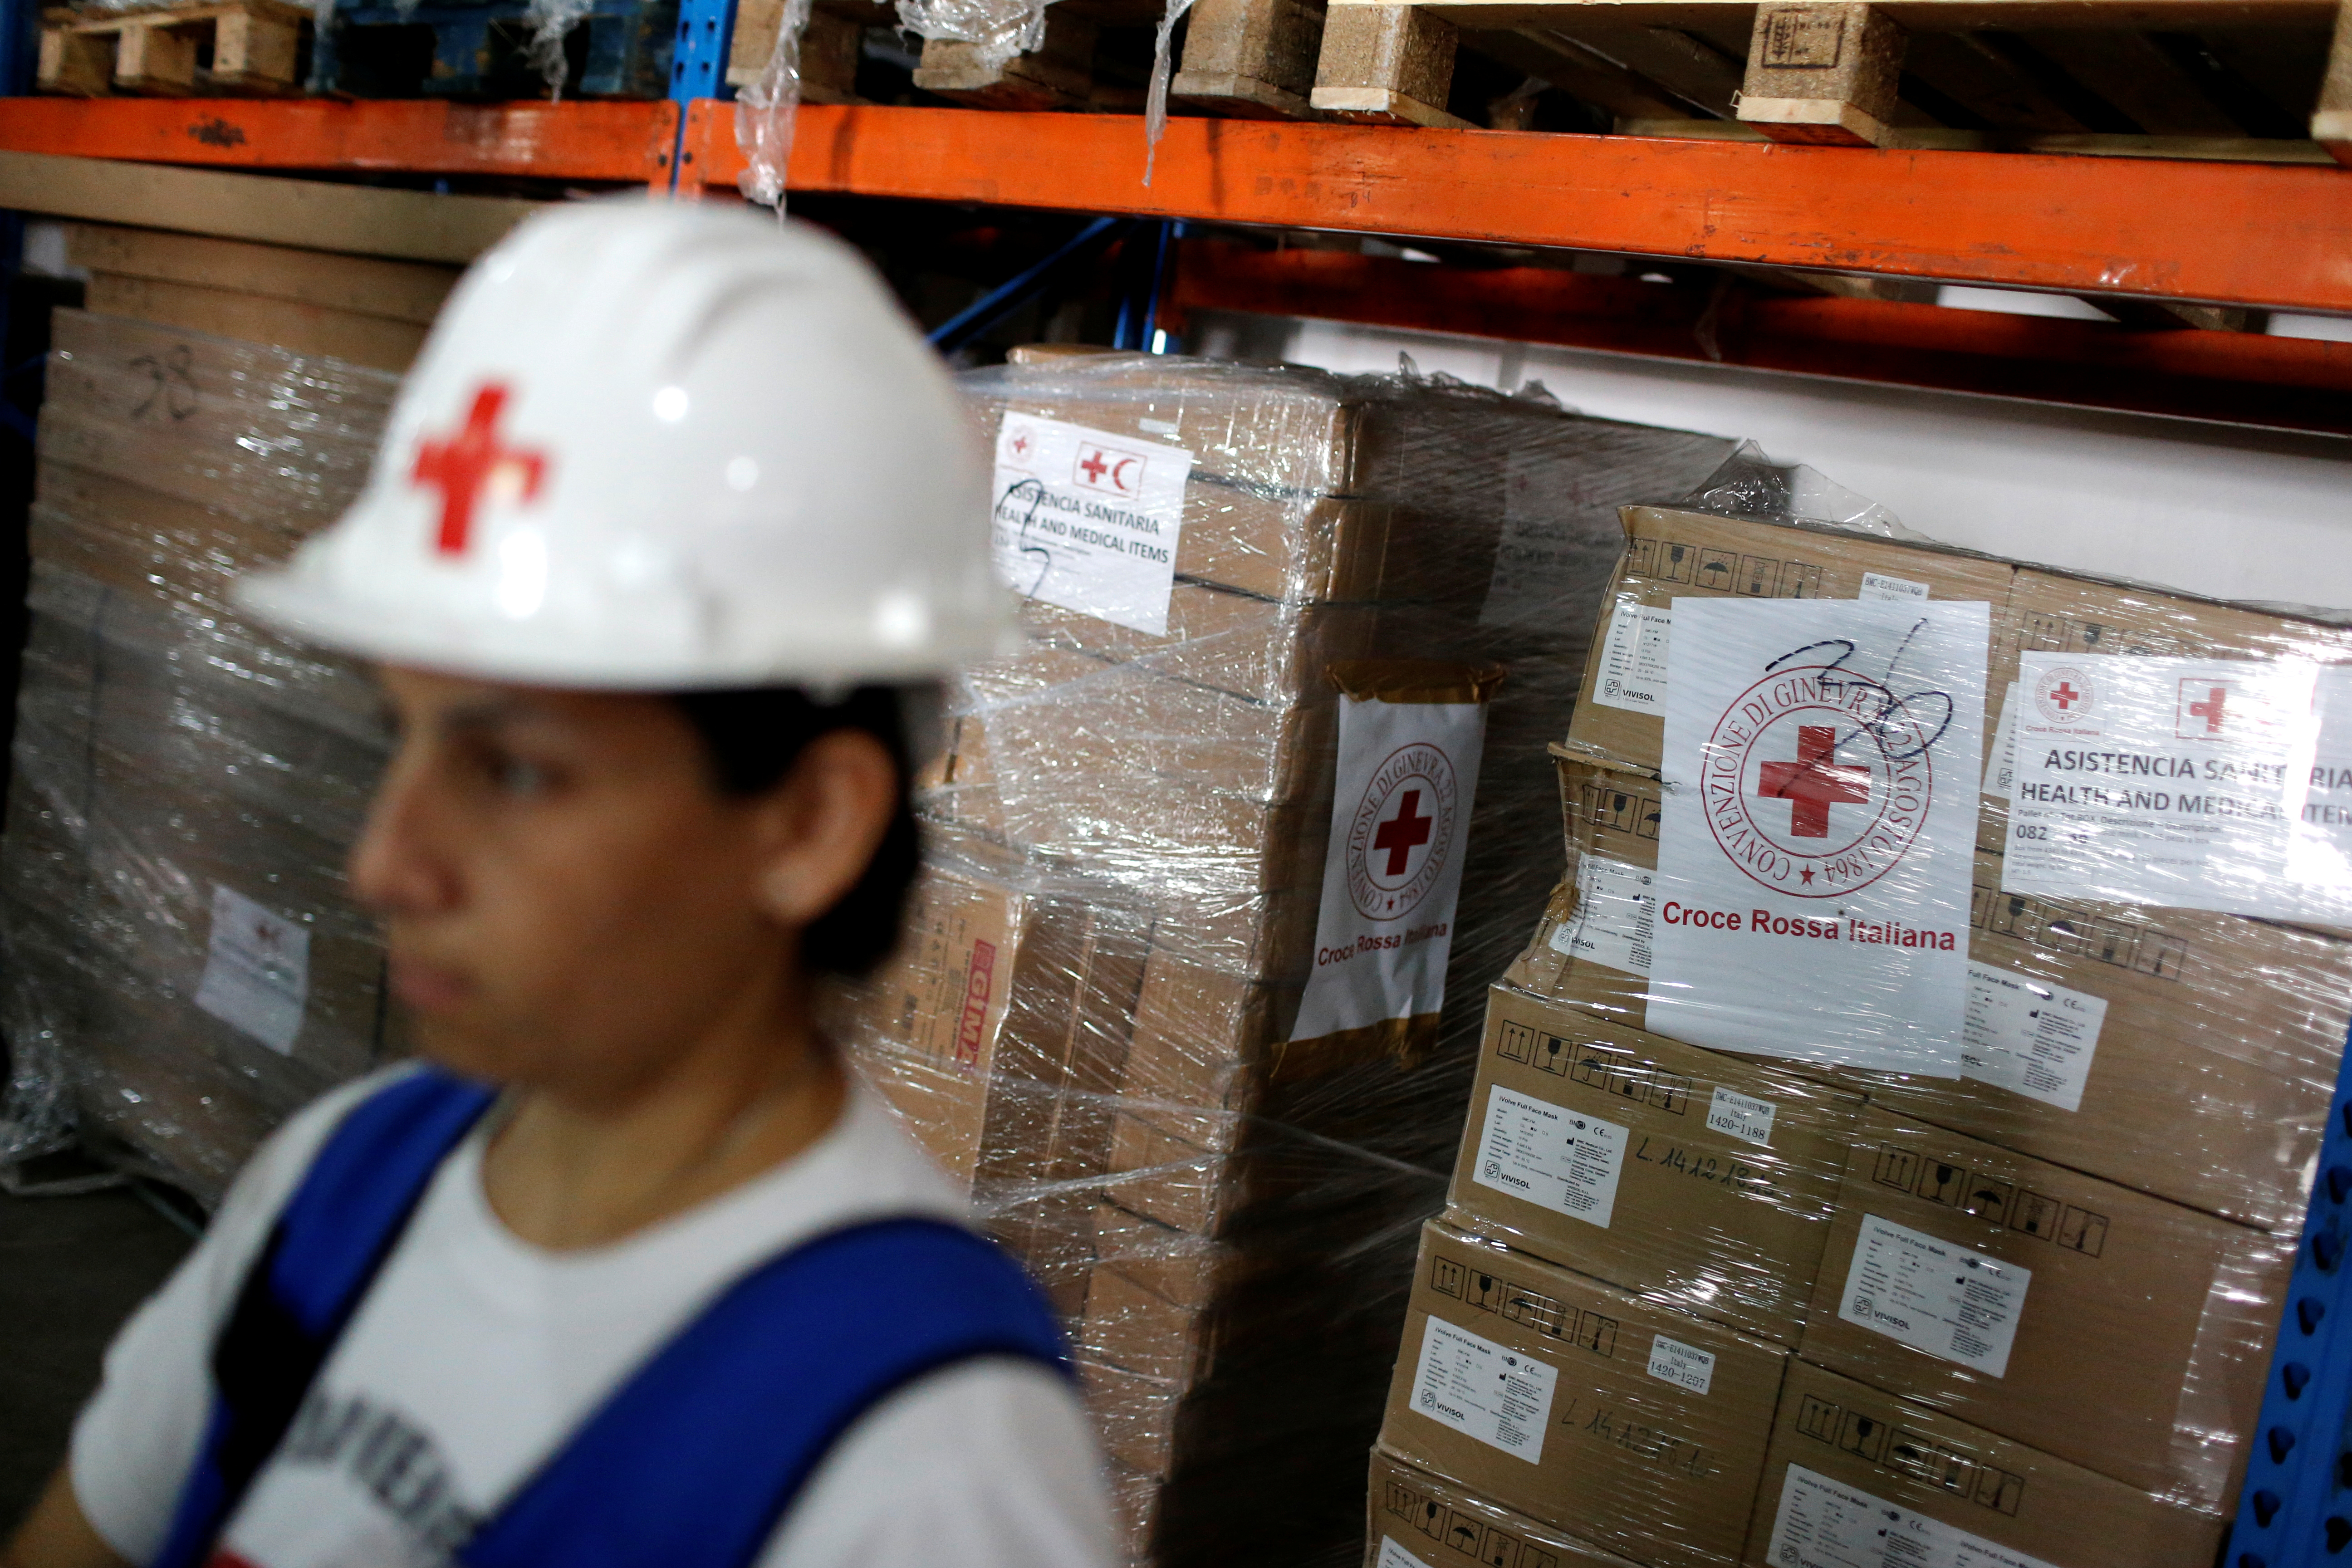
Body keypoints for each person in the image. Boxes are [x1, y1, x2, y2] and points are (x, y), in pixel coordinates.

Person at [1, 199, 1115, 1568]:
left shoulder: (923, 1468)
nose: (381, 863)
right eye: (396, 732)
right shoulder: (348, 1186)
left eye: (515, 771)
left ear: (809, 823)